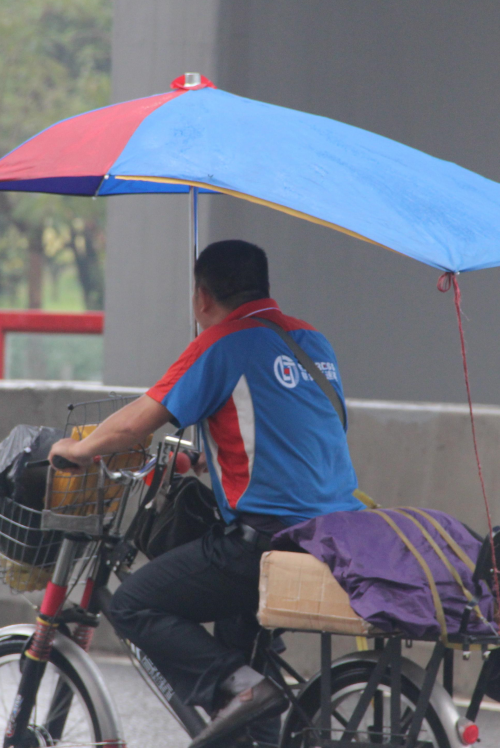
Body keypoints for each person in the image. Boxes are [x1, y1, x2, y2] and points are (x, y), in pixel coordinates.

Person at [49, 239, 363, 748]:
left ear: (201, 297)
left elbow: (135, 425)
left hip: (265, 542)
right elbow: (293, 435)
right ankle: (250, 702)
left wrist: (80, 450)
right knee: (240, 647)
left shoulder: (222, 342)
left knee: (132, 604)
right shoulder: (312, 341)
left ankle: (243, 689)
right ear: (264, 286)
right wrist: (200, 461)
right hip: (335, 534)